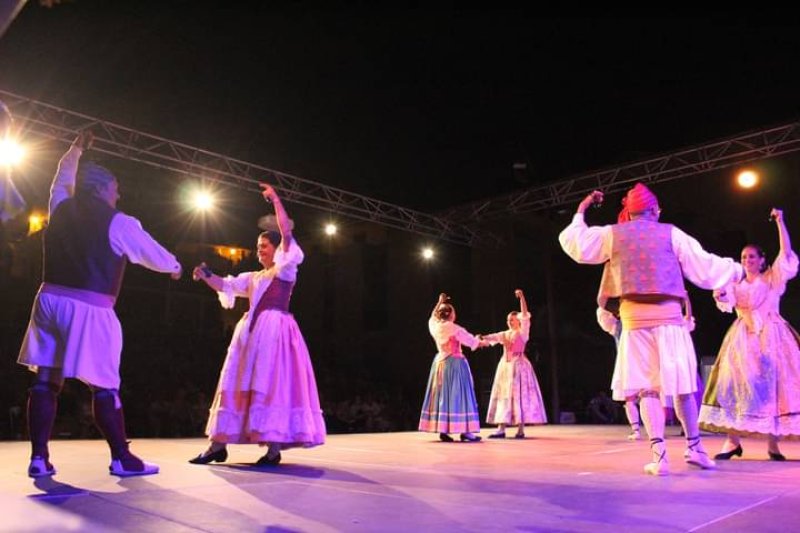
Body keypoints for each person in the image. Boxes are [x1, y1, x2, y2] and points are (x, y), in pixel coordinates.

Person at [17, 132, 183, 478]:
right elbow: (152, 253)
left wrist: (76, 148)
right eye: (115, 187)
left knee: (46, 381)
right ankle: (122, 458)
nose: (118, 193)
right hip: (90, 308)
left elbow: (61, 174)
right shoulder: (118, 221)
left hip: (47, 300)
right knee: (105, 386)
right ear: (101, 188)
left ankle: (38, 458)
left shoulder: (60, 205)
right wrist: (175, 266)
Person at [559, 183, 743, 475]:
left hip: (634, 323)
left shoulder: (612, 234)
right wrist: (735, 270)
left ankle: (660, 458)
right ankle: (694, 448)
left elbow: (576, 242)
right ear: (655, 209)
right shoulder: (671, 232)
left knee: (647, 390)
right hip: (669, 321)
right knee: (682, 388)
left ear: (629, 212)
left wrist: (583, 207)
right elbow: (704, 266)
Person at [189, 183, 325, 466]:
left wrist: (275, 199)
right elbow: (225, 284)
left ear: (277, 249)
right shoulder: (253, 277)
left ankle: (273, 449)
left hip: (275, 332)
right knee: (237, 381)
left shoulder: (285, 269)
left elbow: (286, 231)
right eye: (258, 247)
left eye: (264, 246)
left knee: (271, 382)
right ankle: (218, 444)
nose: (259, 251)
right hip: (250, 334)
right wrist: (205, 274)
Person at [699, 208, 800, 461]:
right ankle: (731, 442)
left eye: (752, 257)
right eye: (744, 257)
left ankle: (773, 446)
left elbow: (786, 253)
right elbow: (726, 299)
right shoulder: (736, 283)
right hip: (743, 338)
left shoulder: (773, 279)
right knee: (733, 386)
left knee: (775, 388)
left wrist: (780, 222)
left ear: (762, 259)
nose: (747, 260)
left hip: (773, 335)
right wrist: (720, 295)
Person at [419, 293, 484, 442]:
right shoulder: (454, 328)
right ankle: (466, 431)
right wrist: (480, 341)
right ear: (451, 314)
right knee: (461, 396)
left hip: (440, 364)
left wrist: (439, 302)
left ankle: (444, 429)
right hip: (455, 363)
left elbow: (432, 317)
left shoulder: (435, 327)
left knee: (444, 397)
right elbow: (471, 342)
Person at [482, 289, 547, 439]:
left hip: (519, 366)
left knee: (519, 396)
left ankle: (520, 429)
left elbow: (525, 315)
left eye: (512, 319)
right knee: (504, 396)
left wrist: (522, 298)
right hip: (505, 367)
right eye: (508, 320)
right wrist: (480, 338)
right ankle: (501, 428)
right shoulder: (505, 333)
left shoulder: (523, 332)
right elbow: (492, 338)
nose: (510, 322)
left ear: (518, 321)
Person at [596, 306, 643, 440]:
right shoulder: (616, 325)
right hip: (627, 364)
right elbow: (602, 310)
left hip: (643, 361)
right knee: (629, 398)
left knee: (651, 395)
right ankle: (636, 429)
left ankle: (657, 430)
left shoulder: (639, 321)